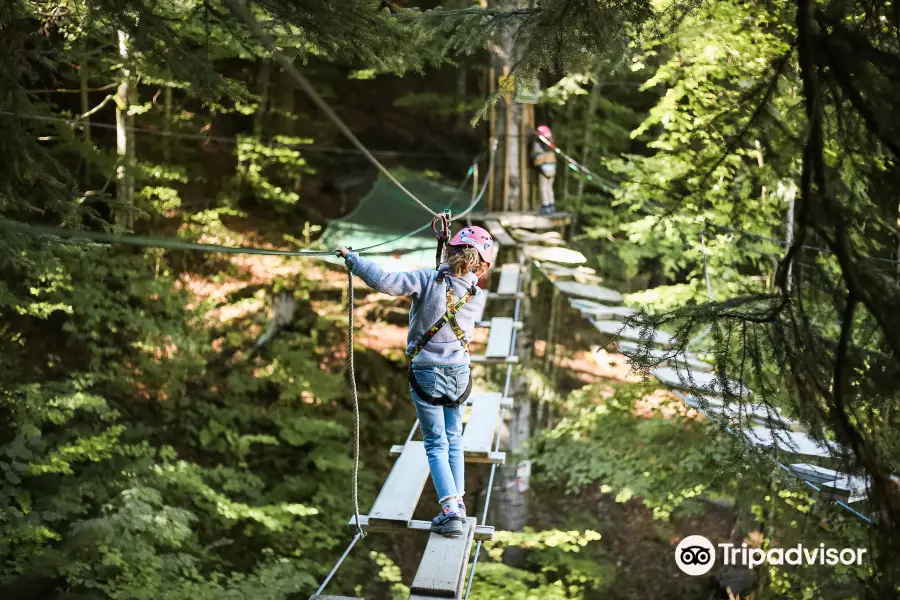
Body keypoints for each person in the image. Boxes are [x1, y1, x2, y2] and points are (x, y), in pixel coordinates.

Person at [336, 226, 494, 538]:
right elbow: (452, 279)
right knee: (454, 439)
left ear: (449, 252)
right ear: (483, 266)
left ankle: (450, 512)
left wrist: (352, 259)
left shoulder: (426, 278)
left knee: (435, 442)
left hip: (428, 372)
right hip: (460, 372)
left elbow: (385, 281)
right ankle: (457, 505)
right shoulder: (477, 294)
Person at [532, 125, 557, 215]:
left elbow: (535, 156)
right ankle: (551, 205)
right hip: (552, 169)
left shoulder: (537, 144)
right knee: (549, 188)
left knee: (544, 188)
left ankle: (546, 206)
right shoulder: (551, 144)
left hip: (543, 170)